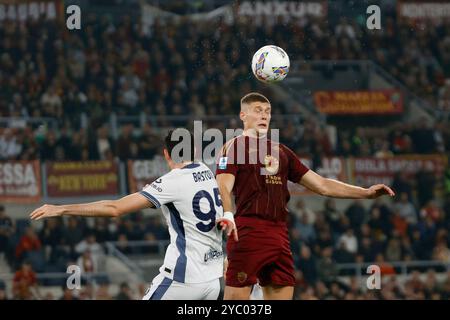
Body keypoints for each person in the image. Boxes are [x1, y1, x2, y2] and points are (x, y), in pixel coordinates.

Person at [215, 92, 395, 300]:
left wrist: (366, 193)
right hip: (248, 231)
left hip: (279, 234)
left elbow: (322, 185)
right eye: (258, 111)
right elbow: (223, 185)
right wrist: (228, 212)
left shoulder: (282, 151)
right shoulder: (234, 146)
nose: (264, 116)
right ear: (243, 115)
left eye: (267, 112)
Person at [30, 129, 237, 300]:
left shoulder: (172, 181)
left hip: (183, 280)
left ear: (166, 154)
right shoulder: (207, 172)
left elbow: (114, 209)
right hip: (212, 281)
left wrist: (61, 208)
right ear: (195, 151)